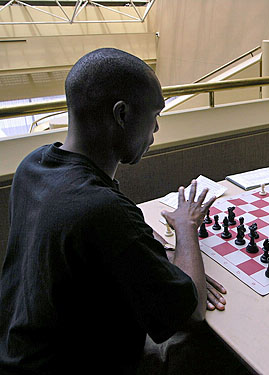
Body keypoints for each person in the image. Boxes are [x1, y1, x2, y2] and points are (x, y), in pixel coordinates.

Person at [0, 48, 227, 374]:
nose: (157, 129)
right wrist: (186, 225)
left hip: (19, 353)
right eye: (154, 115)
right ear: (121, 116)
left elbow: (91, 253)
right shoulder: (102, 210)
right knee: (209, 349)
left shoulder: (32, 166)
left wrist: (154, 256)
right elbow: (189, 313)